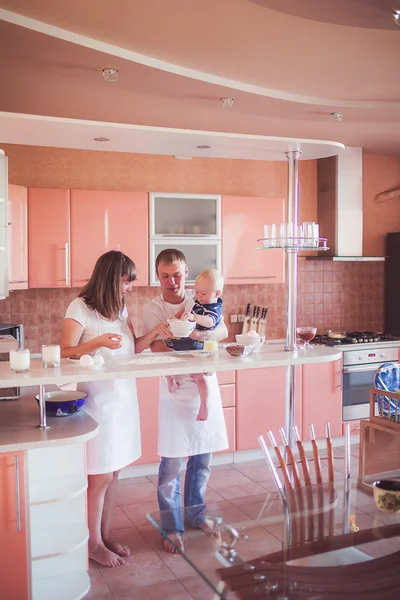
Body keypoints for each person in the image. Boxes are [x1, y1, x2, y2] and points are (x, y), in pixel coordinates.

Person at [60, 250, 170, 568]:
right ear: (111, 279)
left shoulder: (119, 309)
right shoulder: (79, 307)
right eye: (126, 281)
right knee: (100, 477)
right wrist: (95, 343)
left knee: (115, 473)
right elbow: (66, 351)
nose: (130, 288)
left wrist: (156, 332)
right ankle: (92, 543)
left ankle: (104, 536)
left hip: (123, 400)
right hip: (97, 404)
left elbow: (132, 348)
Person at [142, 249, 229, 553]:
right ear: (157, 276)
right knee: (172, 463)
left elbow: (223, 329)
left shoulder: (199, 300)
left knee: (202, 458)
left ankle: (196, 514)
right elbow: (152, 347)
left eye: (177, 274)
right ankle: (171, 527)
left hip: (204, 385)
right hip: (176, 389)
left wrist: (201, 336)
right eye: (165, 275)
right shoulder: (152, 309)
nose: (172, 281)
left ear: (186, 272)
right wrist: (187, 347)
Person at [165, 268, 224, 421]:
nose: (198, 296)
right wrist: (177, 318)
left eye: (202, 294)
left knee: (199, 377)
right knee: (169, 351)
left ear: (217, 294)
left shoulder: (214, 309)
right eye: (197, 292)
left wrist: (194, 317)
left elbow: (210, 322)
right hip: (189, 343)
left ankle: (204, 403)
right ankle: (170, 378)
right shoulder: (197, 302)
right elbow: (184, 313)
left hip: (201, 347)